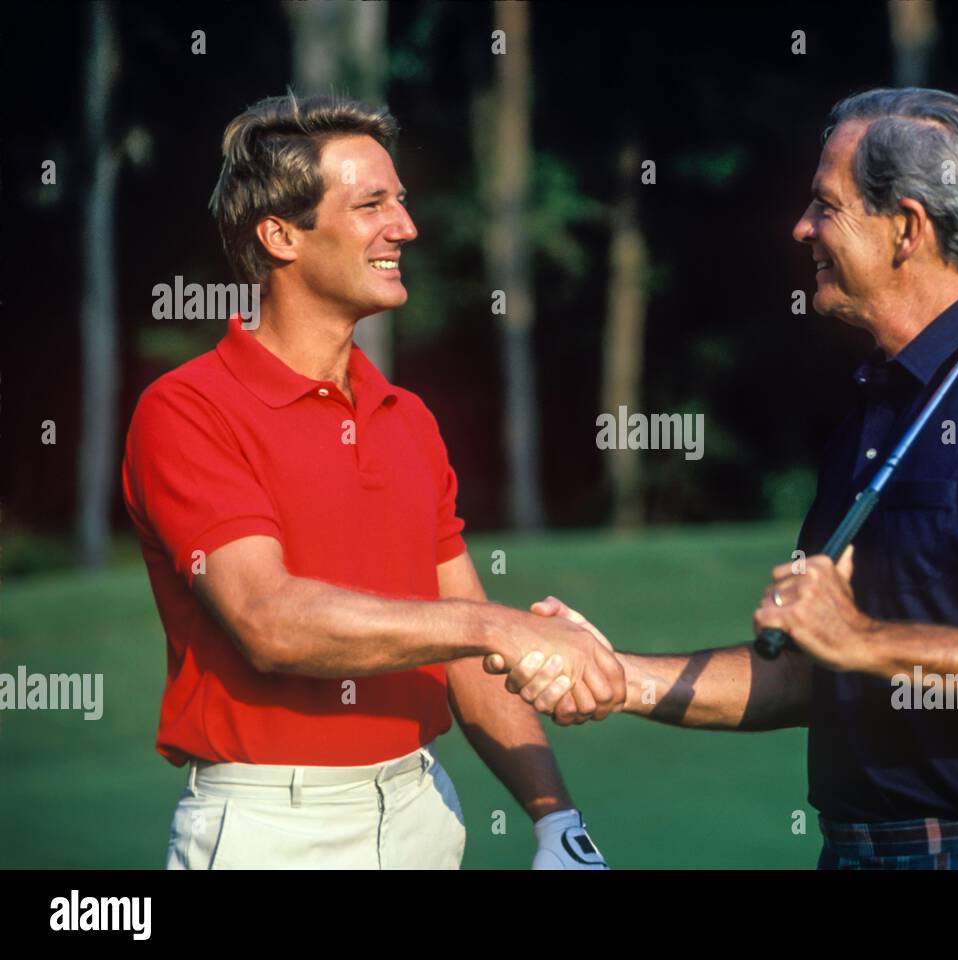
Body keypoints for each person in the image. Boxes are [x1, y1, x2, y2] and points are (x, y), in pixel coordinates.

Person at [499, 87, 958, 870]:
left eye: (825, 207)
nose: (803, 229)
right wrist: (618, 675)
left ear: (906, 228)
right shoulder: (873, 409)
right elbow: (805, 673)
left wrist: (862, 641)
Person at [121, 92, 624, 870]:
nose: (406, 227)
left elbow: (460, 629)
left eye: (402, 201)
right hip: (271, 830)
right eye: (371, 205)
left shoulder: (406, 417)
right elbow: (270, 620)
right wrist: (500, 628)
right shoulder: (186, 410)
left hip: (423, 809)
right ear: (281, 236)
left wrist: (556, 819)